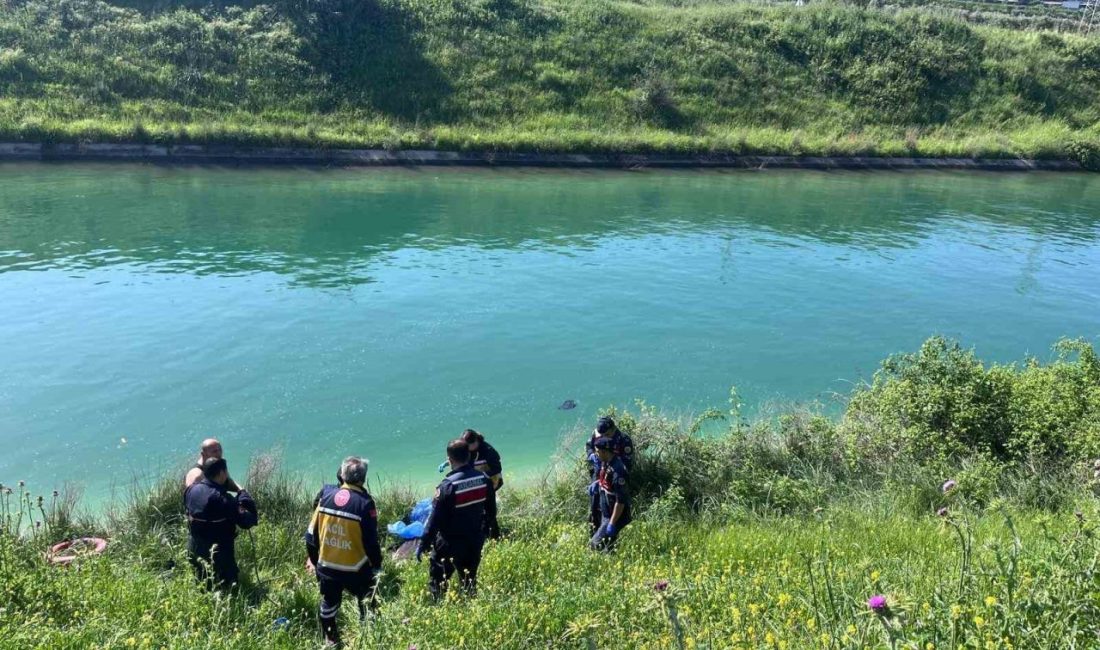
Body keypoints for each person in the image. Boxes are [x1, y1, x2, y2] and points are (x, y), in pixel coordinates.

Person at [304, 457, 382, 647]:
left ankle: (330, 638)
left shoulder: (326, 498)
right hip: (356, 567)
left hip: (328, 566)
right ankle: (369, 635)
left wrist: (316, 562)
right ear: (363, 479)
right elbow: (371, 541)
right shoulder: (365, 503)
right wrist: (377, 565)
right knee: (367, 600)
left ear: (343, 475)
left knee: (329, 604)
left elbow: (310, 536)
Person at [418, 438, 497, 600]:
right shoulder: (484, 480)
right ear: (469, 456)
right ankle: (470, 607)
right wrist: (483, 532)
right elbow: (491, 512)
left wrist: (424, 543)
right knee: (469, 581)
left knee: (439, 581)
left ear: (449, 460)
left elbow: (434, 521)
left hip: (449, 543)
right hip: (474, 539)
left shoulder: (447, 487)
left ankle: (438, 606)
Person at [184, 457, 258, 588]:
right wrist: (242, 493)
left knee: (203, 584)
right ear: (222, 473)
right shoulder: (224, 499)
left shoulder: (191, 490)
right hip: (219, 553)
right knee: (230, 585)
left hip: (195, 547)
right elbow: (247, 521)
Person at [584, 416, 633, 533]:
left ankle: (608, 537)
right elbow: (589, 446)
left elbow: (627, 463)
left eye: (605, 434)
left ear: (613, 429)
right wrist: (591, 455)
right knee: (594, 506)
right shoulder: (597, 433)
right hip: (598, 475)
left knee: (611, 510)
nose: (602, 437)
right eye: (600, 434)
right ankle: (594, 534)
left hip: (613, 478)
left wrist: (609, 470)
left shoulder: (623, 440)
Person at [589, 437, 631, 552]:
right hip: (606, 512)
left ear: (604, 452)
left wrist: (612, 523)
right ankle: (611, 563)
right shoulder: (606, 462)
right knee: (609, 547)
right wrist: (598, 483)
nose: (595, 454)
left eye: (597, 451)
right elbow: (607, 481)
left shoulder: (618, 472)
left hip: (614, 515)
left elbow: (621, 501)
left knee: (595, 544)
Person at [461, 429, 503, 539]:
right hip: (476, 483)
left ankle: (494, 536)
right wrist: (449, 462)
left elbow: (497, 468)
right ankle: (481, 534)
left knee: (489, 511)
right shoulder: (468, 449)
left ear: (475, 442)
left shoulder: (488, 451)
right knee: (476, 509)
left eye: (468, 446)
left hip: (491, 482)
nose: (466, 449)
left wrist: (482, 476)